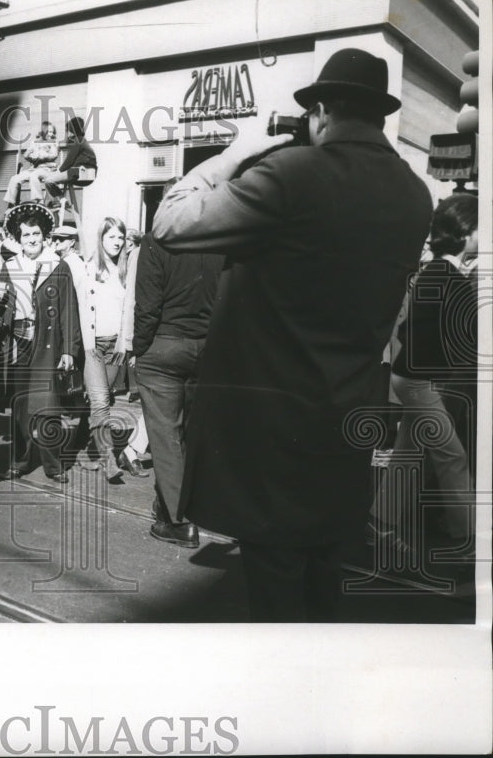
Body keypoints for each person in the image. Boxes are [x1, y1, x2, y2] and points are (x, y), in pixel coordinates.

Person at [152, 48, 432, 621]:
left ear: (322, 111)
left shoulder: (292, 175)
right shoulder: (414, 194)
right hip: (348, 418)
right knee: (325, 572)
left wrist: (237, 151)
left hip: (274, 426)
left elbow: (170, 221)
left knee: (276, 588)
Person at [389, 192, 478, 544]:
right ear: (466, 232)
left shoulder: (434, 271)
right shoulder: (453, 279)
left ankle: (380, 526)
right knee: (452, 456)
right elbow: (468, 338)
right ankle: (468, 540)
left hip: (408, 376)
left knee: (406, 454)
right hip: (418, 382)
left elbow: (407, 329)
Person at [130, 233, 223, 545]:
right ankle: (180, 506)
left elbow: (147, 305)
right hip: (207, 346)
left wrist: (140, 350)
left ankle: (178, 521)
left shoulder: (156, 243)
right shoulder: (220, 242)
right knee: (189, 436)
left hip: (164, 346)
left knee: (167, 437)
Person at [0, 202, 80, 484]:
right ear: (19, 238)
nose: (32, 240)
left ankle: (52, 464)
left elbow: (68, 311)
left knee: (47, 407)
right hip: (17, 344)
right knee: (20, 407)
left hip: (46, 344)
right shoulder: (9, 265)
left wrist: (69, 351)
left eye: (36, 235)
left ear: (45, 236)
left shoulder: (59, 266)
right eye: (26, 235)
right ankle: (20, 460)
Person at [74, 217, 135, 481]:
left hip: (117, 346)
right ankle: (109, 459)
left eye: (120, 237)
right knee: (100, 402)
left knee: (104, 401)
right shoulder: (88, 269)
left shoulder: (126, 271)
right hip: (93, 347)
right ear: (101, 239)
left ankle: (86, 450)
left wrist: (128, 344)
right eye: (111, 237)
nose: (117, 242)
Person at [34, 116, 97, 204]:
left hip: (81, 171)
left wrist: (58, 171)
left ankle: (60, 200)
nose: (67, 133)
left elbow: (69, 161)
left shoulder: (77, 141)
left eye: (67, 130)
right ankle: (60, 200)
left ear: (72, 131)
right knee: (54, 178)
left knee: (49, 180)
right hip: (89, 173)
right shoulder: (82, 141)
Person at [4, 122, 59, 207]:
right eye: (49, 132)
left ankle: (39, 200)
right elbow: (26, 155)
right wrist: (31, 157)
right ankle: (11, 203)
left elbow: (54, 155)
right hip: (34, 168)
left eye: (52, 132)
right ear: (44, 131)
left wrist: (42, 156)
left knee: (34, 175)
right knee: (15, 178)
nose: (51, 134)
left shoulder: (53, 142)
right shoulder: (35, 142)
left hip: (47, 169)